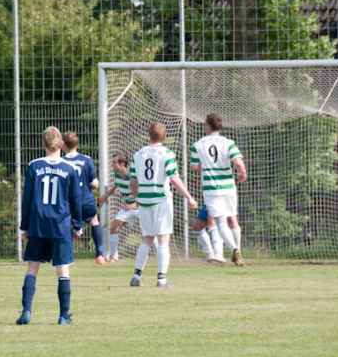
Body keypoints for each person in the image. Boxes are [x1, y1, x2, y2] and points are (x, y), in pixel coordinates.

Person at [16, 126, 84, 326]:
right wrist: (77, 225)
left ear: (43, 144)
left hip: (38, 224)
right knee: (63, 270)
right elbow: (76, 200)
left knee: (32, 267)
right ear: (61, 144)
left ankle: (26, 311)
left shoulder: (34, 166)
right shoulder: (69, 169)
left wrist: (24, 227)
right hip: (60, 226)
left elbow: (27, 199)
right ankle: (63, 315)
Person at [129, 122, 198, 288]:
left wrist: (137, 197)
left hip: (144, 201)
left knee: (146, 239)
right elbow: (174, 178)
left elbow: (133, 181)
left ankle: (136, 276)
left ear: (149, 135)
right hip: (161, 199)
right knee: (163, 239)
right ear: (164, 136)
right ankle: (161, 279)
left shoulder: (138, 154)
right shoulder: (167, 154)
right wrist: (189, 197)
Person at [190, 113, 248, 266]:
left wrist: (206, 166)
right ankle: (238, 251)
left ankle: (235, 249)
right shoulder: (228, 142)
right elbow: (238, 162)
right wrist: (242, 173)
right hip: (229, 187)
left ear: (208, 126)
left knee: (221, 222)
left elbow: (194, 167)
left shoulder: (198, 145)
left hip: (212, 189)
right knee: (232, 217)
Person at [62, 132, 107, 264]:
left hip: (69, 202)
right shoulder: (87, 160)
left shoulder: (61, 162)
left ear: (63, 145)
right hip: (86, 200)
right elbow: (95, 183)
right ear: (77, 145)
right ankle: (100, 255)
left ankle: (67, 256)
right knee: (94, 221)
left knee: (66, 225)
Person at [99, 153, 140, 262]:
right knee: (113, 228)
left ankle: (163, 251)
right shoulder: (117, 175)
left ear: (122, 164)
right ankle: (114, 256)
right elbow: (116, 186)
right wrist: (105, 196)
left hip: (140, 207)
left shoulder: (133, 175)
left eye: (114, 162)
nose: (112, 164)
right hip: (127, 208)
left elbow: (141, 191)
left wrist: (135, 204)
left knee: (149, 231)